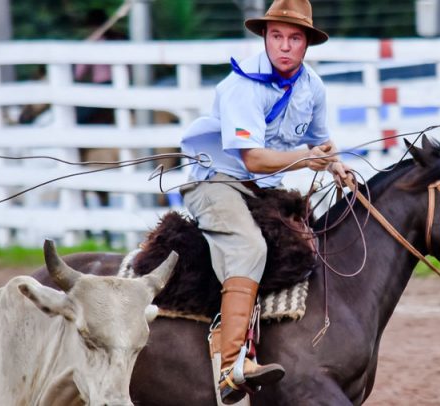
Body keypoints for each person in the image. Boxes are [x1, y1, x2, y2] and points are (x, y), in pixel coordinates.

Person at [179, 0, 352, 403]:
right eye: (277, 36)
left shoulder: (312, 87)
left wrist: (335, 166)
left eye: (295, 38)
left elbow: (319, 141)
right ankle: (230, 365)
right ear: (265, 37)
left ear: (307, 44)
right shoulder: (243, 86)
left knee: (305, 247)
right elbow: (253, 160)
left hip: (263, 189)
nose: (285, 46)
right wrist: (307, 160)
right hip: (218, 182)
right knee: (248, 247)